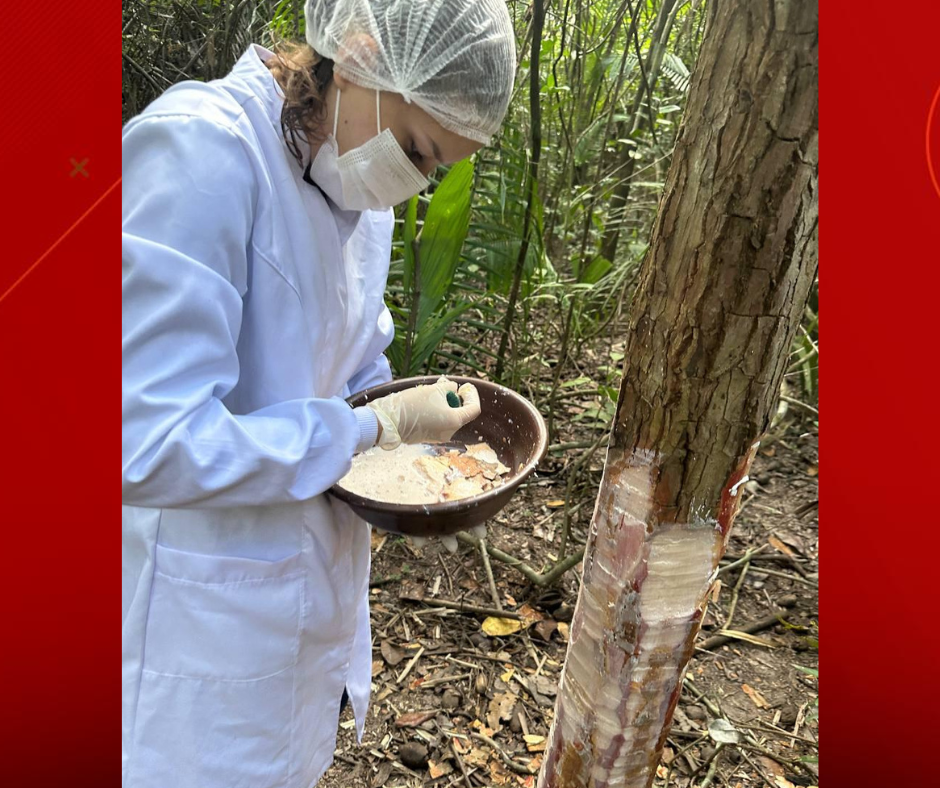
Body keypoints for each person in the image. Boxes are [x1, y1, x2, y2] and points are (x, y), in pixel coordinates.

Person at [121, 1, 516, 786]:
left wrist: (410, 443)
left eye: (433, 170)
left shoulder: (353, 189)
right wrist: (365, 432)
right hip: (194, 633)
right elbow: (143, 442)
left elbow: (354, 359)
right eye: (416, 150)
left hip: (302, 611)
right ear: (361, 56)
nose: (412, 183)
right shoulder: (202, 152)